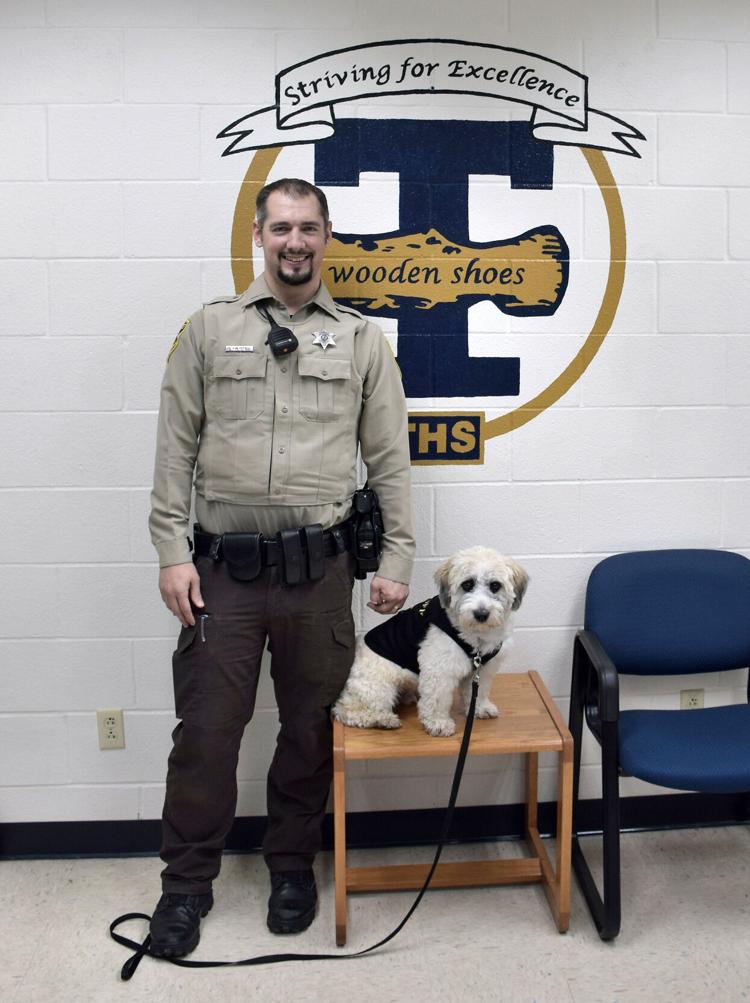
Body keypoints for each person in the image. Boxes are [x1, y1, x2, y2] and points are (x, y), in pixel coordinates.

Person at [147, 178, 414, 957]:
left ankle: (292, 864)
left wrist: (395, 557)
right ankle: (186, 883)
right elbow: (174, 450)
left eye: (309, 228)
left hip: (320, 575)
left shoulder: (363, 340)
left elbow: (391, 459)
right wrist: (170, 550)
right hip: (221, 572)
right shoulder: (208, 330)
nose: (294, 241)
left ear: (327, 237)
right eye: (281, 228)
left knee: (309, 731)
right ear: (258, 236)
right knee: (205, 732)